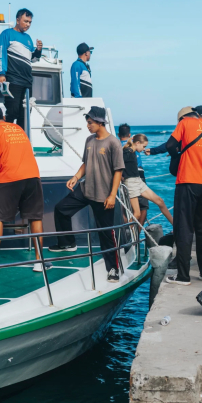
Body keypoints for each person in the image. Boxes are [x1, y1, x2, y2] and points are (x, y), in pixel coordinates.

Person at [50, 106, 125, 283]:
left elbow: (118, 171)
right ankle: (67, 243)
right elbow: (86, 163)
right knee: (61, 209)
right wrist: (76, 177)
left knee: (106, 234)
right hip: (85, 190)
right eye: (87, 122)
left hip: (103, 196)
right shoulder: (89, 140)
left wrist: (112, 195)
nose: (88, 126)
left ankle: (113, 269)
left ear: (100, 122)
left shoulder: (113, 143)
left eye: (90, 123)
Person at [0, 106, 46, 273]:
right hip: (32, 176)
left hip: (9, 180)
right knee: (35, 218)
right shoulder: (18, 128)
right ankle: (39, 261)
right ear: (4, 116)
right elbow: (13, 159)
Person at [161, 107, 202, 285]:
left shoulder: (185, 123)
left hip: (188, 182)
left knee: (184, 228)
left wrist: (177, 155)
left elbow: (170, 145)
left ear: (183, 118)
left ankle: (183, 276)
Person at [0, 9, 43, 128]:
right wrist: (1, 73)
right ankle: (6, 140)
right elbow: (1, 54)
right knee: (12, 112)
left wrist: (38, 51)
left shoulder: (28, 38)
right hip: (13, 80)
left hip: (27, 82)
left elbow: (31, 59)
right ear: (17, 20)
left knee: (25, 115)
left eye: (30, 22)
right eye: (25, 21)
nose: (28, 24)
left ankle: (20, 142)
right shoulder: (7, 34)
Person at [122, 133, 174, 225]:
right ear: (137, 143)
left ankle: (175, 225)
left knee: (160, 201)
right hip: (130, 183)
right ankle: (127, 234)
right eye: (143, 146)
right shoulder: (127, 152)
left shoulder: (133, 152)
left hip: (138, 180)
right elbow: (117, 166)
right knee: (137, 214)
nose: (143, 149)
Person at [119, 123, 150, 223]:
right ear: (130, 135)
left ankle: (126, 232)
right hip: (137, 176)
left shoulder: (119, 146)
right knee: (143, 207)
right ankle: (136, 233)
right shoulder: (133, 147)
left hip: (124, 177)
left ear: (119, 135)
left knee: (125, 208)